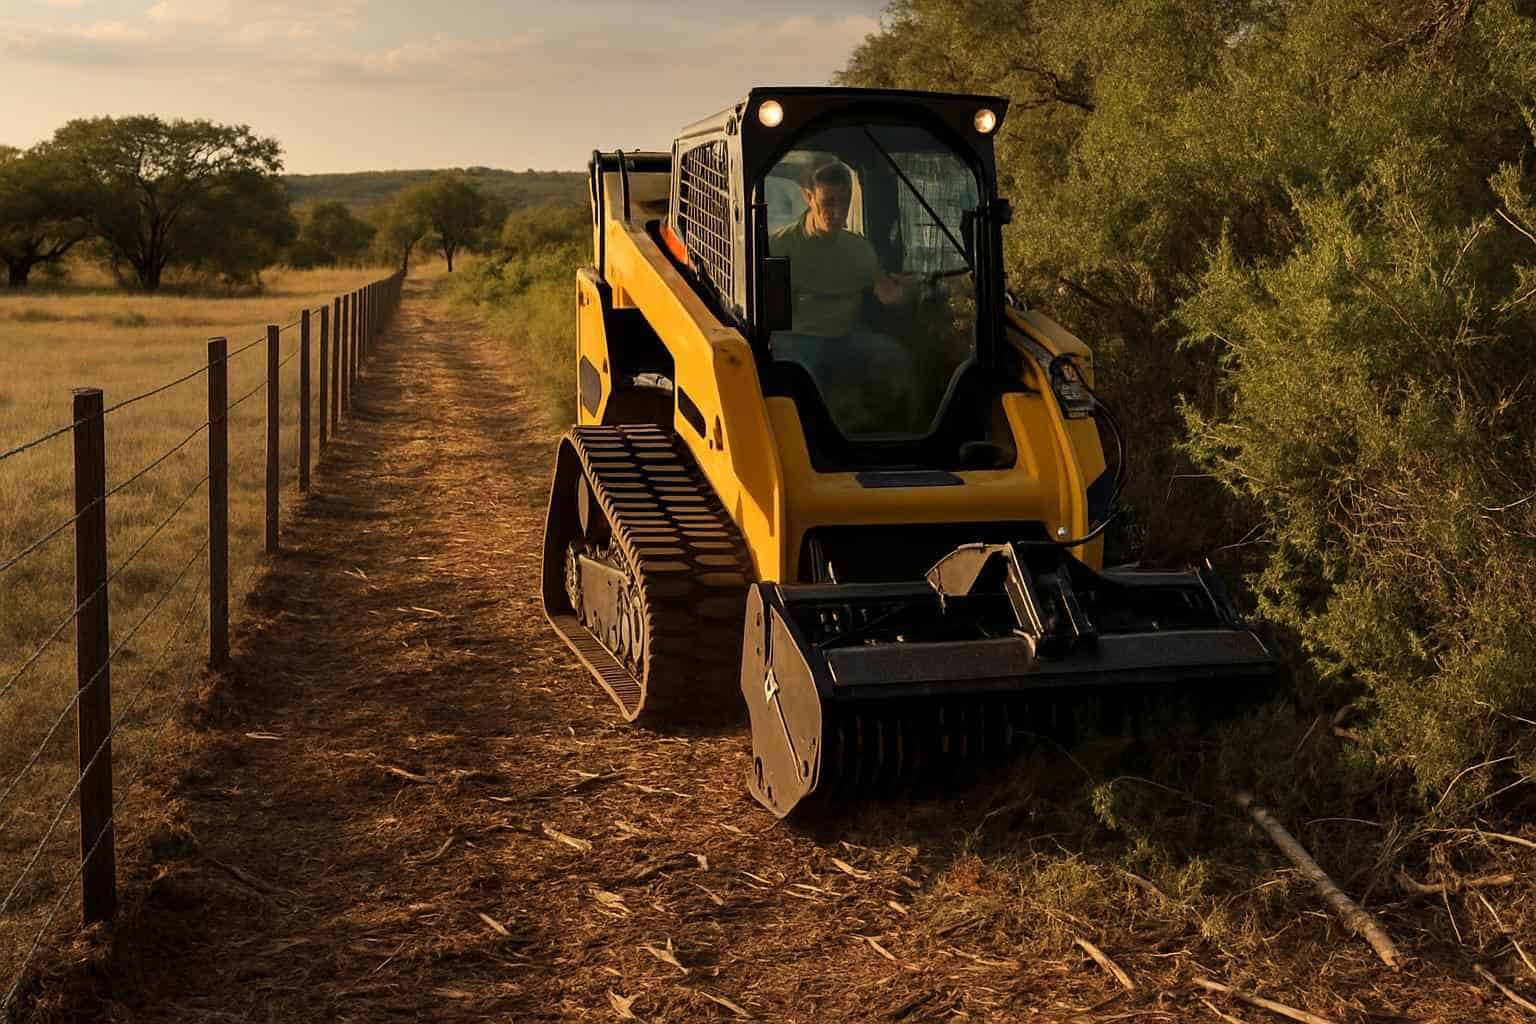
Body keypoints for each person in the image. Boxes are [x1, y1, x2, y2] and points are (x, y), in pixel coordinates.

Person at [768, 160, 916, 434]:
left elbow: (886, 291)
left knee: (895, 358)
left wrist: (907, 291)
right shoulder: (779, 246)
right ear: (808, 196)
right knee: (804, 378)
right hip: (798, 340)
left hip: (848, 337)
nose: (837, 212)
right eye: (829, 201)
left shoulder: (859, 249)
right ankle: (816, 444)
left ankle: (894, 438)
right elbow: (770, 315)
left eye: (845, 201)